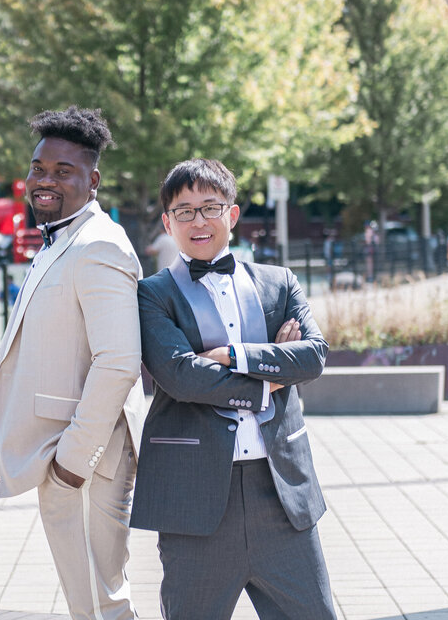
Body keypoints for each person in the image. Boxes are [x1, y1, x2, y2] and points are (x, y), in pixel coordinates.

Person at [131, 158, 335, 620]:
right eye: (184, 211)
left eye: (210, 207)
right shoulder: (152, 294)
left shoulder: (279, 283)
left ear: (233, 214)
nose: (198, 221)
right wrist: (271, 379)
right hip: (195, 504)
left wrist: (233, 355)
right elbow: (182, 376)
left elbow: (314, 355)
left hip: (281, 497)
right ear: (168, 222)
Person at [0, 107, 145, 620]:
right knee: (91, 604)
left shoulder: (98, 244)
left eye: (63, 172)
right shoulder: (64, 238)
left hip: (83, 462)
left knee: (103, 604)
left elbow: (119, 362)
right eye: (38, 169)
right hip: (70, 458)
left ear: (93, 181)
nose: (45, 181)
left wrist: (72, 465)